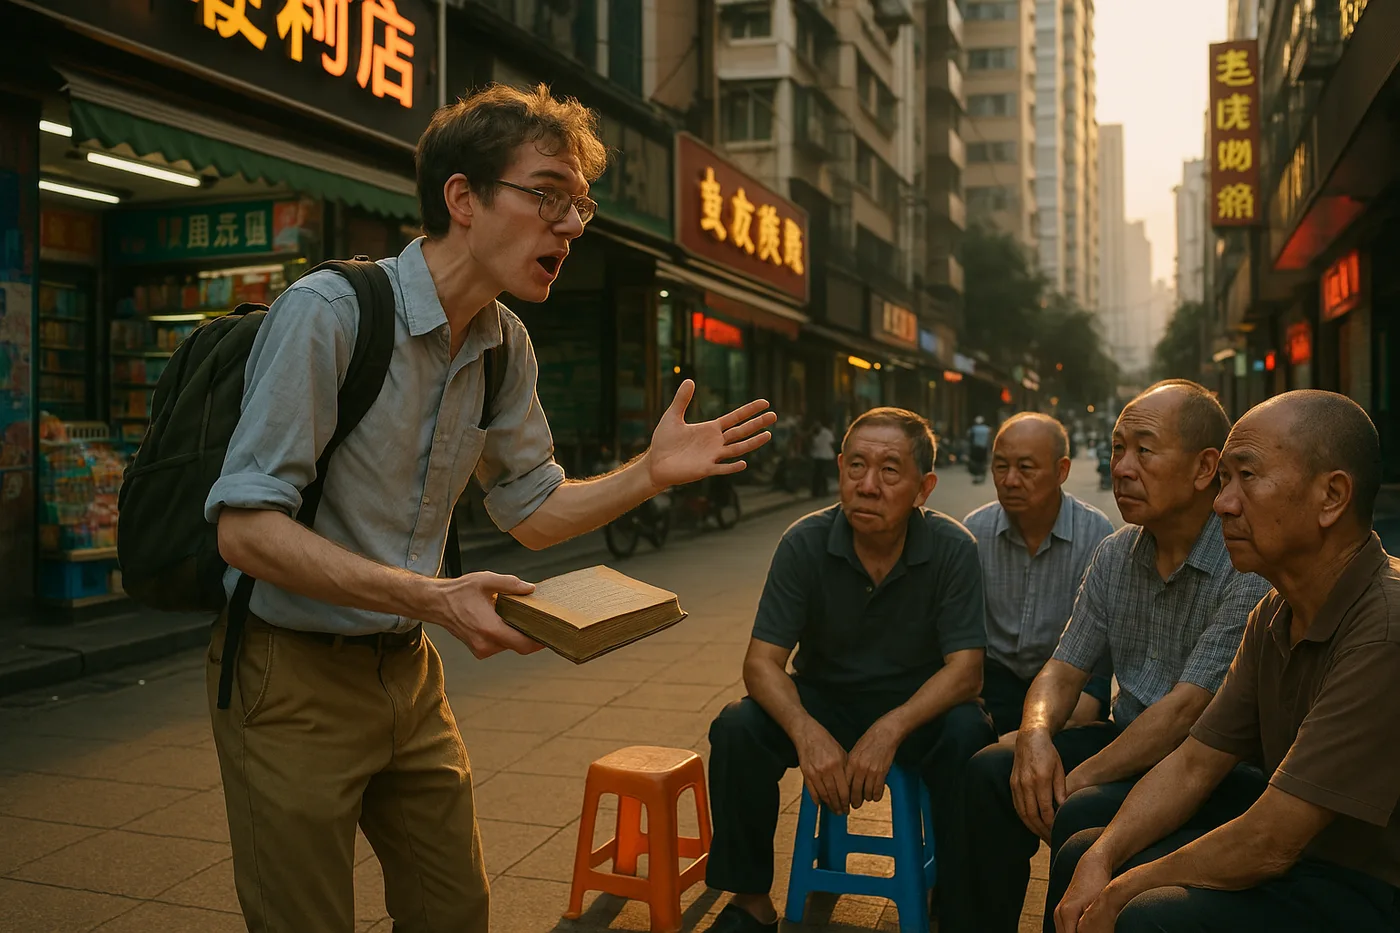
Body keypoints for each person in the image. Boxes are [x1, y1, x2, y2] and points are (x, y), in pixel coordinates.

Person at [204, 84, 776, 933]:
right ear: (463, 198)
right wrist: (432, 596)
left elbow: (534, 508)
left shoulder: (503, 342)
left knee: (456, 910)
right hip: (288, 673)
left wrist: (651, 474)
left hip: (405, 670)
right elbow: (246, 528)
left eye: (578, 204)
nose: (573, 226)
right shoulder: (330, 313)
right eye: (548, 194)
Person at [1050, 390, 1400, 933]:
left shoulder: (1384, 627)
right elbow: (1194, 763)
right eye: (1224, 482)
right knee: (1084, 851)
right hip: (1307, 861)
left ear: (1331, 497)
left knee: (1145, 915)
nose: (1223, 503)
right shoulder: (1275, 610)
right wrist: (1103, 860)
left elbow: (1270, 840)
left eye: (1247, 478)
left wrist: (1121, 891)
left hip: (1370, 887)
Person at [948, 381, 1272, 933]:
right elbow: (1063, 668)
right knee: (989, 771)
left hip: (1209, 767)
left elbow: (1186, 711)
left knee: (1077, 808)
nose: (1121, 467)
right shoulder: (1117, 552)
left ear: (1203, 469)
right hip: (1126, 740)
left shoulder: (1243, 563)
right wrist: (1034, 737)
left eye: (1143, 450)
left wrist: (1074, 779)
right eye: (1117, 448)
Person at [704, 407, 994, 933]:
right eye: (856, 466)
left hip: (915, 707)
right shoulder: (804, 542)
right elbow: (762, 662)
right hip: (826, 699)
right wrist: (804, 731)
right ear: (838, 469)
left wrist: (891, 728)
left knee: (969, 734)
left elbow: (966, 671)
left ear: (923, 487)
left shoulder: (953, 548)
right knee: (736, 727)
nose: (867, 485)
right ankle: (749, 899)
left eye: (889, 470)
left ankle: (955, 902)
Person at [962, 412, 1115, 736]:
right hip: (994, 679)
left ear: (1062, 470)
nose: (1010, 480)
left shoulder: (1094, 532)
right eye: (1001, 466)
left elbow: (1100, 651)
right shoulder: (975, 531)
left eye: (1026, 468)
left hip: (1069, 679)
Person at [808, 418, 836, 497]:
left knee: (820, 474)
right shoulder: (816, 434)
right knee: (819, 474)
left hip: (824, 456)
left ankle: (820, 491)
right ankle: (819, 492)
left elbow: (831, 443)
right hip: (820, 456)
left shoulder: (825, 433)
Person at [968, 415, 992, 484]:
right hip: (984, 448)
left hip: (976, 448)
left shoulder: (973, 429)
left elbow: (970, 438)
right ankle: (982, 476)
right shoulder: (987, 429)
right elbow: (989, 439)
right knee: (983, 462)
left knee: (976, 462)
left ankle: (976, 476)